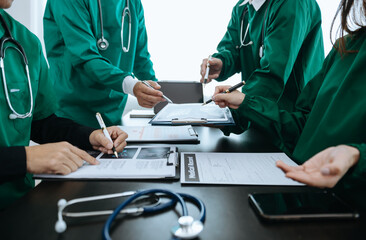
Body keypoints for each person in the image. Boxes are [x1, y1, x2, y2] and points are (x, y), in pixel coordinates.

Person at [212, 0, 366, 189]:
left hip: (342, 199)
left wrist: (356, 156)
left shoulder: (293, 4)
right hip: (297, 174)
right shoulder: (345, 48)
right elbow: (303, 128)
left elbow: (273, 74)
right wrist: (244, 102)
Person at [0, 0, 128, 210]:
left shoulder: (24, 42)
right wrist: (22, 159)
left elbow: (40, 123)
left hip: (19, 206)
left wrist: (89, 136)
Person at [200, 0, 324, 135]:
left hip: (290, 122)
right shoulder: (243, 7)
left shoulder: (292, 4)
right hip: (260, 115)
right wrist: (222, 63)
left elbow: (272, 74)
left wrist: (231, 116)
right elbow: (234, 47)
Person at [43, 0, 165, 128]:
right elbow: (85, 57)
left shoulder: (132, 3)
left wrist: (158, 93)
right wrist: (132, 86)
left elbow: (140, 57)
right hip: (71, 113)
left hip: (113, 114)